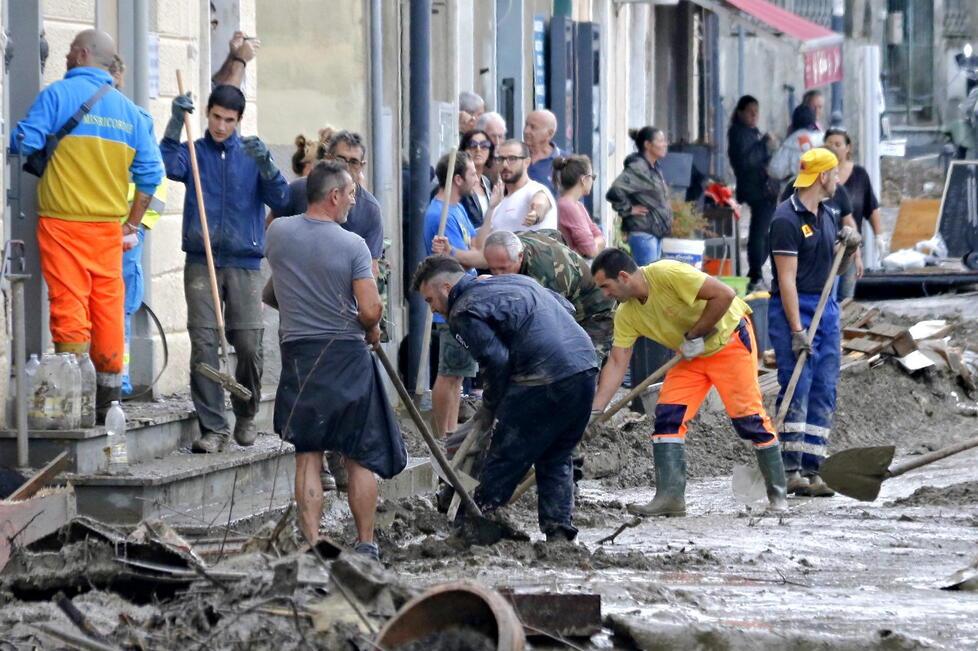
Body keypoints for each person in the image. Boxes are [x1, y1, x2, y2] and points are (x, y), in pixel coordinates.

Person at [11, 29, 163, 420]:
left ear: (79, 54)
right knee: (108, 306)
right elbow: (150, 175)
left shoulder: (57, 96)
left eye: (67, 54)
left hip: (63, 224)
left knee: (69, 303)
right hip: (109, 230)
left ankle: (73, 399)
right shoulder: (131, 113)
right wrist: (130, 224)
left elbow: (24, 142)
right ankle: (108, 401)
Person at [266, 161, 406, 557]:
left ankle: (311, 544)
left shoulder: (277, 233)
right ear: (333, 197)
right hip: (345, 354)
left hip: (298, 354)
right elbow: (370, 309)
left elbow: (277, 287)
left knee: (307, 453)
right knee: (359, 454)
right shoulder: (352, 245)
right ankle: (365, 544)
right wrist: (374, 327)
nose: (353, 201)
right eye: (350, 194)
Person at [590, 249, 788, 516]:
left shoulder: (667, 273)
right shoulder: (626, 314)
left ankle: (778, 496)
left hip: (728, 342)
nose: (605, 294)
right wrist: (596, 410)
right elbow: (617, 361)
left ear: (623, 277)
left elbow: (725, 294)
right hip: (690, 355)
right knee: (667, 417)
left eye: (606, 286)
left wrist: (696, 333)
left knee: (748, 420)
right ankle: (670, 498)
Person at [412, 256, 597, 541]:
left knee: (504, 455)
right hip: (584, 368)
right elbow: (566, 307)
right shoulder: (515, 281)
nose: (434, 309)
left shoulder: (463, 311)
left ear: (446, 288)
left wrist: (490, 406)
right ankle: (558, 531)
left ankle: (478, 522)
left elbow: (496, 361)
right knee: (556, 454)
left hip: (541, 377)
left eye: (429, 300)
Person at [161, 84, 290, 453]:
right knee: (203, 344)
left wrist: (267, 166)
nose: (220, 125)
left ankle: (246, 414)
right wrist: (173, 124)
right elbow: (168, 165)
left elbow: (281, 199)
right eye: (216, 117)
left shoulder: (250, 156)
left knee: (248, 343)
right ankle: (213, 428)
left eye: (228, 120)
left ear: (239, 121)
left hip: (245, 263)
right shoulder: (194, 152)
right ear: (206, 113)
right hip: (202, 260)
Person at [768, 148, 861, 498]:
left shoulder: (829, 214)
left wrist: (848, 251)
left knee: (824, 388)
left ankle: (813, 467)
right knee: (798, 385)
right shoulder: (786, 220)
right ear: (823, 177)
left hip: (827, 308)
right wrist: (796, 330)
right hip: (795, 308)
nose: (838, 180)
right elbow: (786, 279)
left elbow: (833, 271)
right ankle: (790, 467)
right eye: (834, 174)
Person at [434, 229, 615, 364]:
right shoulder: (507, 248)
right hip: (564, 290)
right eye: (493, 269)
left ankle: (593, 411)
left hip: (594, 309)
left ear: (520, 257)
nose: (498, 276)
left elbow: (554, 323)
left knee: (583, 363)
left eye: (503, 269)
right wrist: (451, 252)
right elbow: (553, 234)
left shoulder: (545, 272)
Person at [423, 152, 493, 439]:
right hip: (450, 305)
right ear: (457, 179)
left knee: (458, 374)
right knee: (450, 374)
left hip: (466, 303)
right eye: (473, 174)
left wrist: (493, 209)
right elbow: (468, 260)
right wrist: (468, 255)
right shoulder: (440, 214)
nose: (477, 179)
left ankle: (450, 435)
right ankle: (446, 436)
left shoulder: (458, 209)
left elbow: (479, 246)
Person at [271, 130, 384, 275]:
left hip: (340, 289)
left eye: (354, 162)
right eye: (340, 159)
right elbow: (271, 226)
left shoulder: (370, 209)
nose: (347, 167)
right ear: (328, 159)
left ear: (362, 166)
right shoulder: (299, 190)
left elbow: (370, 268)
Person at [823, 127, 886, 299]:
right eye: (829, 144)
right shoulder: (817, 182)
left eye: (838, 144)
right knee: (825, 296)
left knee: (844, 297)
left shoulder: (857, 176)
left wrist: (878, 236)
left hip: (847, 246)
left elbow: (868, 209)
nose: (834, 148)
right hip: (822, 249)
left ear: (848, 147)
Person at [728, 95, 780, 292]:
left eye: (756, 113)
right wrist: (763, 144)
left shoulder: (751, 132)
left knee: (764, 231)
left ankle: (756, 270)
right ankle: (756, 272)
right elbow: (747, 161)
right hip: (756, 189)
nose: (754, 116)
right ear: (741, 112)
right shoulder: (738, 133)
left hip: (762, 187)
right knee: (761, 232)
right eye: (750, 112)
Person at [606, 127, 673, 265]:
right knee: (647, 282)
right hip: (643, 234)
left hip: (654, 233)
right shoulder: (638, 168)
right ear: (648, 145)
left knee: (653, 280)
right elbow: (615, 191)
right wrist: (629, 209)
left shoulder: (654, 167)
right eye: (660, 141)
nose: (665, 144)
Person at [490, 140, 559, 233]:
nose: (505, 164)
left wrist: (535, 214)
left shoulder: (536, 189)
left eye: (512, 159)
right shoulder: (498, 203)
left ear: (527, 162)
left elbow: (541, 201)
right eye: (501, 159)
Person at [553, 154, 605, 258]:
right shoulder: (568, 206)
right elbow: (591, 251)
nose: (592, 181)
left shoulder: (577, 205)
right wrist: (597, 243)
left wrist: (596, 243)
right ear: (584, 179)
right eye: (592, 177)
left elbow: (600, 237)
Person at [769, 105, 823, 187]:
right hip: (818, 187)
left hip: (794, 189)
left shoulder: (789, 143)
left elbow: (775, 170)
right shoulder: (822, 138)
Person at [459, 129, 497, 228]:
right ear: (463, 150)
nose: (478, 149)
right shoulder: (458, 182)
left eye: (484, 145)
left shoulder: (488, 183)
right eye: (472, 145)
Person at [524, 109, 562, 194]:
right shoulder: (514, 156)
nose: (526, 131)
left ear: (549, 133)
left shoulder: (566, 162)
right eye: (526, 125)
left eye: (533, 127)